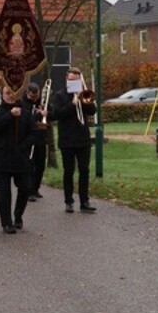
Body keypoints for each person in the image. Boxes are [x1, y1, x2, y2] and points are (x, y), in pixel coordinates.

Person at [49, 67, 98, 213]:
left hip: (83, 138)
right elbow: (56, 114)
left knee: (84, 170)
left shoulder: (83, 94)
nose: (73, 83)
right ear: (66, 79)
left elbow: (92, 111)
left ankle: (84, 201)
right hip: (67, 139)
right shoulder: (59, 95)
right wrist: (72, 104)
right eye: (71, 80)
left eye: (76, 80)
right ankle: (69, 201)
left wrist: (84, 100)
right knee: (68, 171)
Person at [0, 87, 36, 234]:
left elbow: (33, 133)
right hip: (1, 156)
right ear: (2, 95)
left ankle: (18, 215)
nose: (10, 96)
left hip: (20, 156)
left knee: (26, 187)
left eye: (13, 93)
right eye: (7, 93)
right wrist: (10, 115)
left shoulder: (26, 112)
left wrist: (23, 147)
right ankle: (6, 223)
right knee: (4, 191)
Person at [22, 83, 48, 201]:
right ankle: (29, 190)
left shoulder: (41, 102)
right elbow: (26, 120)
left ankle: (36, 188)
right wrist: (38, 115)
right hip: (28, 138)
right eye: (32, 97)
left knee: (40, 165)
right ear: (27, 93)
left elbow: (52, 113)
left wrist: (46, 111)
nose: (34, 99)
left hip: (40, 137)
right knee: (30, 165)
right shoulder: (23, 104)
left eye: (36, 96)